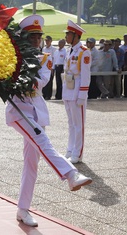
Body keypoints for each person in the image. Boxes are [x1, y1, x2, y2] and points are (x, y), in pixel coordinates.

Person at [6, 15, 92, 227]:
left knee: (31, 164)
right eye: (32, 37)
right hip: (18, 111)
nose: (36, 41)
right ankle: (70, 174)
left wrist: (23, 75)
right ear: (24, 38)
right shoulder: (11, 57)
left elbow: (41, 81)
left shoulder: (46, 57)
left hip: (36, 111)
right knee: (43, 142)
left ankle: (23, 209)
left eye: (38, 37)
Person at [62, 20, 92, 164]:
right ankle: (70, 149)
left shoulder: (84, 52)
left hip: (77, 90)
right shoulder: (70, 50)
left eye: (68, 34)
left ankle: (78, 153)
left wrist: (82, 95)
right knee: (71, 123)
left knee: (78, 124)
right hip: (68, 88)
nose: (66, 36)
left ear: (75, 35)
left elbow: (86, 76)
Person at [42, 35, 57, 100]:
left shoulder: (53, 49)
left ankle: (48, 95)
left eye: (48, 40)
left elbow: (54, 59)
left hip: (50, 67)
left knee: (50, 82)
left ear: (51, 41)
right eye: (46, 40)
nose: (47, 42)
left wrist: (52, 68)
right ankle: (44, 94)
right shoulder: (44, 49)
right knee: (44, 80)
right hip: (44, 67)